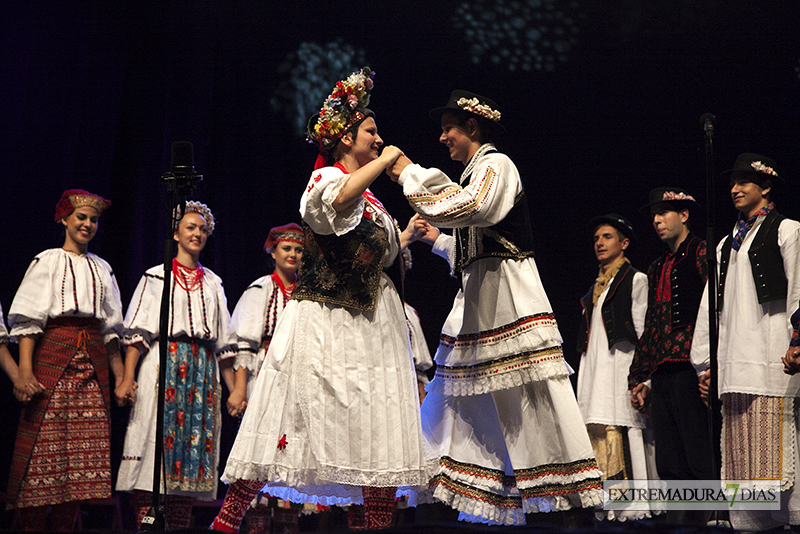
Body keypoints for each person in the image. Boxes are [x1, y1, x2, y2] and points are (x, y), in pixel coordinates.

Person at [210, 67, 433, 533]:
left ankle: (372, 525)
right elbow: (335, 207)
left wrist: (406, 236)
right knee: (287, 411)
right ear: (345, 139)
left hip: (373, 324)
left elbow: (381, 250)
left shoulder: (373, 199)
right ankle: (227, 523)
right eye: (371, 132)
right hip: (327, 321)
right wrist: (386, 159)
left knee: (377, 426)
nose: (379, 140)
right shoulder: (325, 181)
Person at [387, 91, 602, 526]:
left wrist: (411, 172)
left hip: (508, 298)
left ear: (472, 128)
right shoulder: (473, 173)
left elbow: (474, 209)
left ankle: (555, 499)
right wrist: (437, 241)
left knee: (526, 398)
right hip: (481, 297)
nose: (443, 136)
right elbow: (474, 241)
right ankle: (455, 488)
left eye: (449, 127)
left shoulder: (496, 165)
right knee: (461, 397)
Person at [692, 154, 800, 530]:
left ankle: (788, 520)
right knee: (741, 454)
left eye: (744, 182)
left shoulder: (788, 230)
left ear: (766, 187)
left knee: (778, 452)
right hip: (734, 363)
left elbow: (799, 288)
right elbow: (712, 305)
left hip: (771, 356)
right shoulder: (725, 245)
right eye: (733, 183)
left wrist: (798, 338)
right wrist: (705, 363)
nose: (735, 189)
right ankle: (751, 522)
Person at [5, 189, 123, 531]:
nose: (87, 224)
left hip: (93, 365)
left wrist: (120, 377)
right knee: (44, 455)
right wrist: (24, 372)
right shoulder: (48, 260)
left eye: (93, 219)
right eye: (81, 218)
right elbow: (28, 323)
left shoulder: (103, 268)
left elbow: (111, 330)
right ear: (64, 220)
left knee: (82, 468)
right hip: (54, 356)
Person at [115, 201, 237, 530]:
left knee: (191, 457)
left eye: (202, 229)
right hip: (164, 365)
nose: (197, 233)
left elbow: (225, 344)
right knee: (152, 450)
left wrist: (236, 390)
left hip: (202, 372)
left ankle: (179, 527)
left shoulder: (213, 282)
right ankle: (145, 526)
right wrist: (127, 378)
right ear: (176, 233)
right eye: (190, 227)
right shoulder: (157, 276)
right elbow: (137, 332)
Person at [627, 187, 714, 524]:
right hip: (663, 371)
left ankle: (709, 519)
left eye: (664, 212)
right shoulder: (657, 265)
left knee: (698, 452)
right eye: (654, 215)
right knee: (669, 458)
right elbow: (653, 324)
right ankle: (682, 522)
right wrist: (640, 377)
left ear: (685, 214)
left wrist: (712, 365)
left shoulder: (702, 252)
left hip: (691, 368)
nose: (657, 220)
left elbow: (716, 311)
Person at [226, 223, 305, 534]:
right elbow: (245, 342)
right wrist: (240, 390)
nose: (293, 254)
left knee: (292, 449)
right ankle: (254, 524)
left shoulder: (306, 292)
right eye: (287, 248)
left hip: (299, 378)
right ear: (273, 251)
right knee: (262, 449)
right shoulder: (260, 289)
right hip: (266, 373)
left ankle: (289, 523)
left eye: (299, 250)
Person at [576, 214, 656, 521]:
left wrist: (644, 378)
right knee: (597, 431)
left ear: (624, 244)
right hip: (596, 375)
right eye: (597, 238)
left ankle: (634, 511)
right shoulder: (594, 290)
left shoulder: (635, 280)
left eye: (607, 237)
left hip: (620, 371)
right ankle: (607, 509)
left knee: (624, 431)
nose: (599, 243)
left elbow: (643, 332)